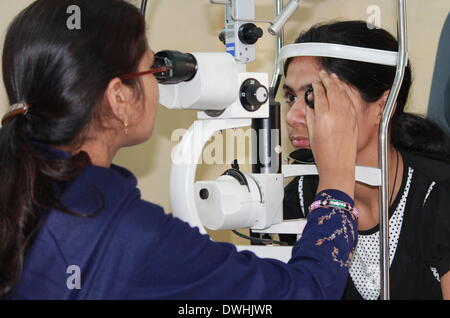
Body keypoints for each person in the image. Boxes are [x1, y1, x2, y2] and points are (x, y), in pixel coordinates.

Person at [0, 0, 359, 300]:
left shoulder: (21, 185)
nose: (158, 84)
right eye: (151, 69)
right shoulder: (133, 236)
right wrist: (337, 183)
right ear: (119, 98)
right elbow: (305, 293)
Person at [282, 21, 450, 300]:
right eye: (290, 96)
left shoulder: (438, 196)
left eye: (314, 97)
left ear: (382, 107)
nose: (292, 116)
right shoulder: (300, 198)